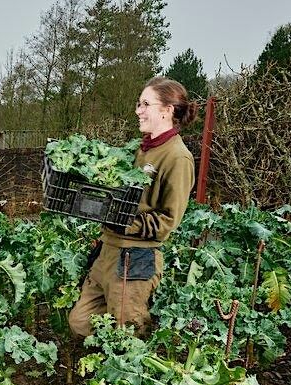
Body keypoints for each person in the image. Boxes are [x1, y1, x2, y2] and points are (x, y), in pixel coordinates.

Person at [68, 77, 197, 337]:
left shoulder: (177, 157)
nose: (138, 110)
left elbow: (167, 222)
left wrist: (123, 219)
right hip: (108, 250)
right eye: (139, 104)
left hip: (134, 258)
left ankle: (128, 369)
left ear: (167, 110)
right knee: (81, 322)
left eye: (145, 104)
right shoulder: (142, 149)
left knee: (127, 333)